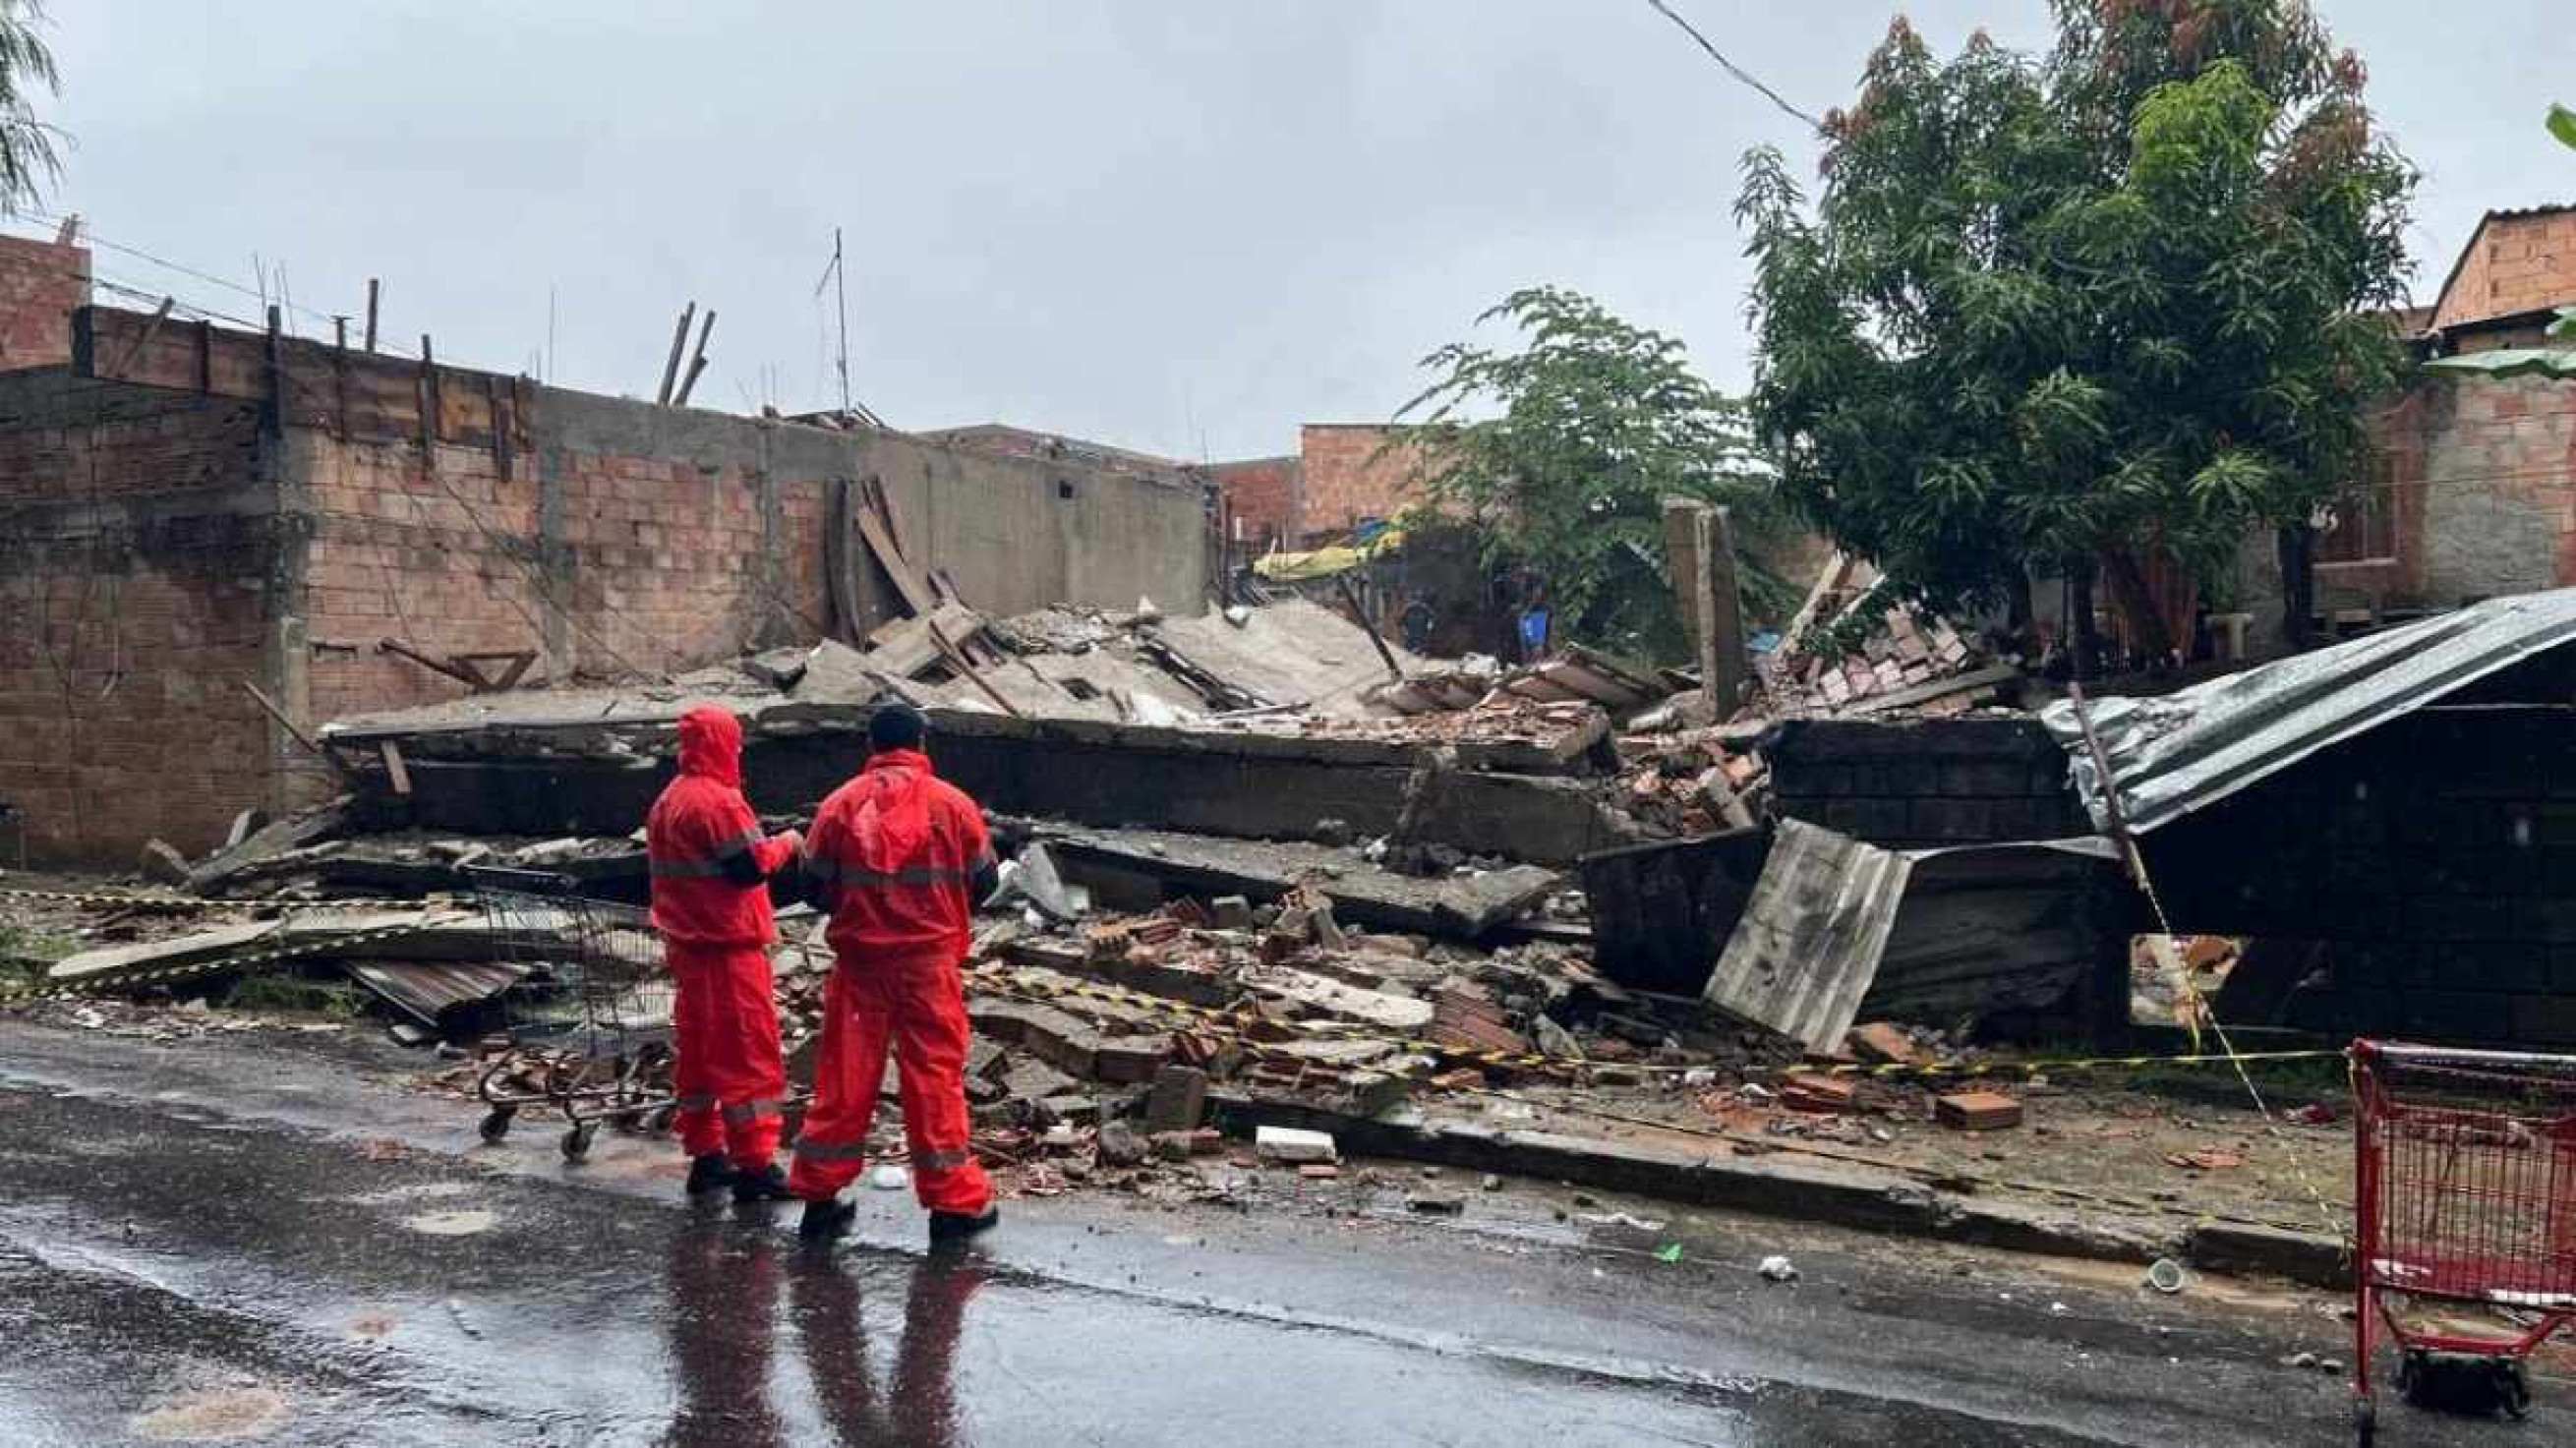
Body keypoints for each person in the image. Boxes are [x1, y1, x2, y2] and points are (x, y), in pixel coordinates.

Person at [790, 702, 1002, 1245]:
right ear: (922, 743)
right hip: (928, 969)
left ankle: (819, 1198)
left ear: (871, 745)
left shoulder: (840, 805)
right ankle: (953, 1206)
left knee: (843, 1081)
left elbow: (811, 885)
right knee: (934, 1083)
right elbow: (985, 881)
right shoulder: (953, 806)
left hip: (861, 968)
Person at [645, 705, 802, 1201]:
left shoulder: (669, 799)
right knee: (747, 1057)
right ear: (723, 744)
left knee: (699, 1057)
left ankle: (707, 1155)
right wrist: (790, 842)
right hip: (727, 947)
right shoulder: (719, 802)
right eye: (734, 743)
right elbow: (750, 867)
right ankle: (756, 1165)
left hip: (688, 945)